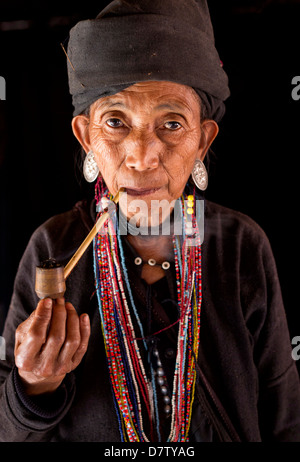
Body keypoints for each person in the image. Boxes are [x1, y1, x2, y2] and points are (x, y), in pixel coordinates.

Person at [0, 0, 300, 442]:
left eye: (173, 124)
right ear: (86, 138)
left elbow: (285, 420)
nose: (141, 156)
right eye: (116, 122)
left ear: (202, 140)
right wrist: (33, 387)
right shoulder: (53, 248)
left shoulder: (242, 246)